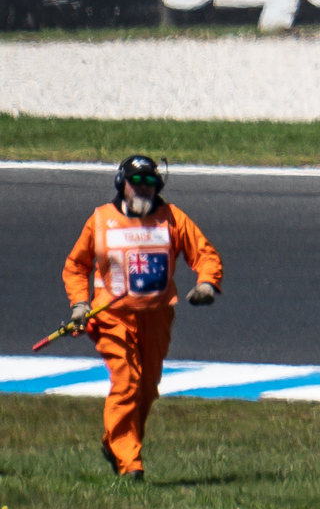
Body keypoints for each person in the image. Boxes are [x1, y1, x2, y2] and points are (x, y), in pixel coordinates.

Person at [61, 154, 223, 480]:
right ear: (122, 184)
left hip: (157, 317)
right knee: (126, 384)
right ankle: (129, 463)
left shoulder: (172, 218)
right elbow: (76, 266)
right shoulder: (100, 220)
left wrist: (207, 283)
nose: (143, 189)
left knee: (147, 389)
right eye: (136, 183)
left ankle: (116, 442)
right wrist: (80, 305)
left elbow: (204, 253)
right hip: (112, 318)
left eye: (150, 183)